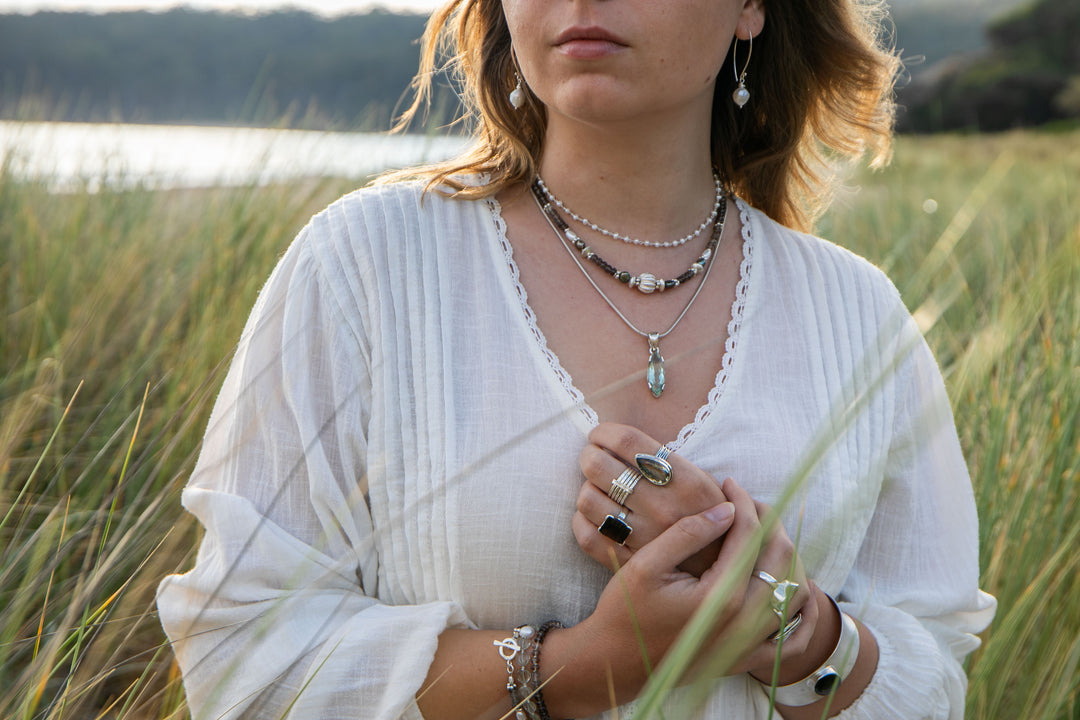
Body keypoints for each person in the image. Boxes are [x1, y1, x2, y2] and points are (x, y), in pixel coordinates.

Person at [157, 0, 996, 717]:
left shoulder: (857, 314)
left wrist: (797, 631)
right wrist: (583, 666)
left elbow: (934, 666)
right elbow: (240, 654)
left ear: (751, 7)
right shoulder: (365, 265)